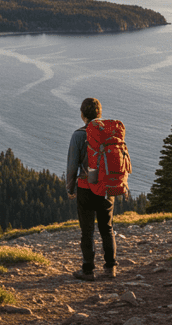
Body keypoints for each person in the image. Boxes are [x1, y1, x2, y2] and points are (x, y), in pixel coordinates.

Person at [65, 97, 117, 281]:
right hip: (107, 188)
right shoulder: (110, 132)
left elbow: (72, 167)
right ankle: (110, 268)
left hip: (86, 187)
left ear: (82, 115)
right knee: (107, 229)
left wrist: (70, 189)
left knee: (87, 231)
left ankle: (88, 270)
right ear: (99, 113)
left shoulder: (79, 135)